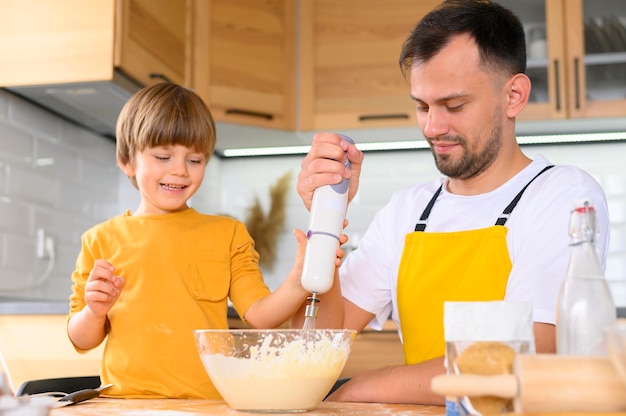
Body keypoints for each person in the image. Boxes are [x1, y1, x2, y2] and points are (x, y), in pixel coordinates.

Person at [293, 0, 610, 405]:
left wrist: (354, 389)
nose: (433, 127)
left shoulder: (563, 194)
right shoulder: (406, 210)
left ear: (513, 96)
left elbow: (524, 357)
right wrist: (326, 220)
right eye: (422, 106)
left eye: (454, 106)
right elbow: (315, 345)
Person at [67, 83, 314, 399]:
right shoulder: (99, 240)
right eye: (163, 156)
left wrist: (299, 281)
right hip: (126, 404)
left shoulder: (228, 234)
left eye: (194, 160)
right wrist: (94, 310)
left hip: (208, 403)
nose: (180, 171)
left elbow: (261, 316)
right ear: (127, 159)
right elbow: (82, 339)